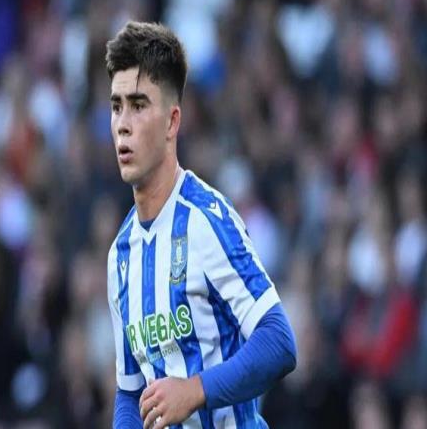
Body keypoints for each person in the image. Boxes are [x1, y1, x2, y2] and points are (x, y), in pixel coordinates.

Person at [106, 21, 297, 429]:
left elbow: (279, 341)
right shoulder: (120, 254)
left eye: (139, 105)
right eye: (116, 106)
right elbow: (130, 391)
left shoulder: (205, 221)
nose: (123, 123)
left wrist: (195, 390)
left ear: (172, 122)